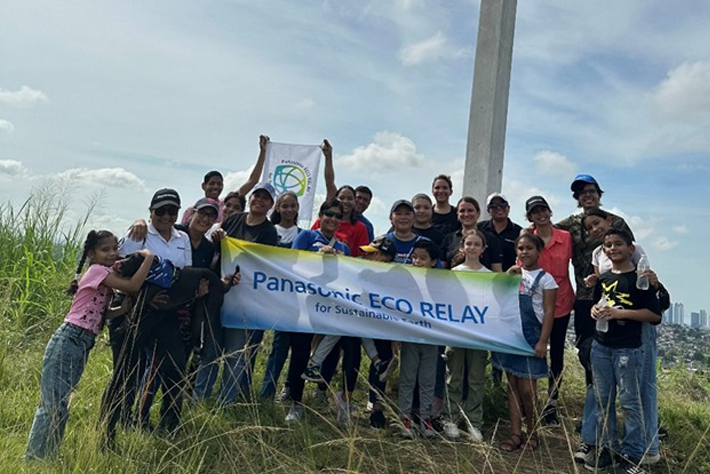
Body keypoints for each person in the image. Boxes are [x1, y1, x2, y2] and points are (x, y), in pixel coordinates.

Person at [25, 232, 154, 460]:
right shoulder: (98, 271)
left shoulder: (105, 273)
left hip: (82, 341)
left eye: (115, 248)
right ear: (92, 254)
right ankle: (35, 458)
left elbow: (100, 314)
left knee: (60, 403)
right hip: (70, 338)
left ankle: (47, 455)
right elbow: (133, 285)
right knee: (53, 404)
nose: (113, 253)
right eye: (106, 250)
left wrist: (122, 309)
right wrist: (149, 258)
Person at [101, 188, 193, 444]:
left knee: (175, 366)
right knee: (127, 371)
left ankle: (170, 425)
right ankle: (111, 426)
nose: (165, 216)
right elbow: (117, 271)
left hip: (167, 310)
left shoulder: (181, 238)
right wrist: (144, 296)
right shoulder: (139, 233)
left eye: (171, 211)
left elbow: (182, 274)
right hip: (134, 309)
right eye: (159, 211)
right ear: (150, 211)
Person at [555, 174, 635, 455]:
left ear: (599, 194)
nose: (586, 196)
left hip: (616, 300)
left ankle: (607, 421)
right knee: (588, 356)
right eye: (581, 193)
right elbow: (545, 231)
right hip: (584, 299)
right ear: (577, 199)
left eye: (590, 191)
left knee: (618, 361)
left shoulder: (616, 222)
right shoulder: (570, 223)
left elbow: (632, 255)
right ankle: (595, 415)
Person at [579, 208, 665, 466]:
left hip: (629, 349)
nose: (612, 248)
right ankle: (608, 449)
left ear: (631, 249)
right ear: (602, 250)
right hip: (602, 346)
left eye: (618, 244)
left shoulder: (641, 279)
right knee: (604, 401)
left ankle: (633, 454)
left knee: (630, 401)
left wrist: (620, 313)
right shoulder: (603, 278)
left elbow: (654, 314)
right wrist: (596, 310)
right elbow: (597, 304)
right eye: (608, 245)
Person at [193, 183, 278, 404]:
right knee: (210, 352)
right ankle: (198, 400)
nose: (259, 200)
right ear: (250, 199)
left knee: (235, 354)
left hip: (245, 302)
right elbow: (218, 251)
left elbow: (263, 265)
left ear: (271, 205)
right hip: (219, 294)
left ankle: (225, 404)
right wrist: (217, 236)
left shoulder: (269, 232)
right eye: (256, 195)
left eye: (265, 198)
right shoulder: (233, 219)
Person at [283, 199, 351, 423]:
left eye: (337, 216)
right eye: (328, 214)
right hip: (304, 305)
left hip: (331, 308)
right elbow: (293, 263)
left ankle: (321, 391)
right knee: (300, 353)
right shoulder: (307, 237)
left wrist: (338, 261)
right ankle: (295, 401)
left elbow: (349, 277)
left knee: (331, 353)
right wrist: (317, 258)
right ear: (320, 215)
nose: (332, 219)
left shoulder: (343, 247)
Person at [492, 233, 557, 452]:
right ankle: (515, 433)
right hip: (510, 335)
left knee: (528, 390)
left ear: (539, 252)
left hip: (531, 337)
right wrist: (507, 277)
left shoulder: (546, 279)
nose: (525, 252)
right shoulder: (512, 274)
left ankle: (533, 431)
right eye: (520, 248)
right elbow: (497, 300)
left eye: (529, 248)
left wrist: (542, 341)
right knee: (511, 386)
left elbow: (549, 311)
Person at [523, 196, 573, 426]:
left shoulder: (565, 237)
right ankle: (528, 401)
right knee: (531, 350)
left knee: (557, 356)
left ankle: (551, 405)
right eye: (535, 211)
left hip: (561, 301)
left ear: (550, 212)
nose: (541, 214)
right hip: (534, 305)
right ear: (530, 216)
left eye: (543, 210)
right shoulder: (527, 239)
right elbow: (522, 267)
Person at [443, 229, 492, 442]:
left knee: (476, 380)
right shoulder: (453, 273)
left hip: (478, 335)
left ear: (483, 249)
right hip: (456, 332)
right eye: (468, 244)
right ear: (462, 247)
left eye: (476, 244)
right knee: (453, 377)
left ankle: (474, 422)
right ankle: (450, 418)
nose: (472, 247)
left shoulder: (490, 276)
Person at [259, 191, 301, 401]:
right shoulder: (268, 232)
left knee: (281, 346)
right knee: (254, 344)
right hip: (263, 296)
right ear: (277, 208)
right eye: (285, 206)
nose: (289, 210)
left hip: (290, 300)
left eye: (292, 206)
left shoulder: (302, 235)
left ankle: (270, 393)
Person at [398, 239, 440, 439]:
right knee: (407, 378)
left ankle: (426, 418)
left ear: (433, 261)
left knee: (427, 380)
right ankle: (405, 417)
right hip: (410, 336)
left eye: (422, 258)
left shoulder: (442, 282)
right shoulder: (405, 279)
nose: (417, 262)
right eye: (414, 257)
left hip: (431, 338)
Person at [180, 135, 270, 224]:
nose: (216, 187)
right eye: (212, 183)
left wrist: (263, 152)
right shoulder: (192, 210)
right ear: (203, 186)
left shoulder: (227, 204)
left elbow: (253, 180)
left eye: (219, 184)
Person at [441, 196, 503, 271]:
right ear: (457, 214)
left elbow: (497, 272)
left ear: (478, 213)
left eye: (470, 210)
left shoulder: (491, 239)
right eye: (462, 211)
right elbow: (442, 270)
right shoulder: (448, 239)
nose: (466, 214)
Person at [312, 185, 370, 257]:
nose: (345, 201)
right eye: (342, 198)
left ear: (355, 201)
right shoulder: (322, 221)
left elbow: (362, 256)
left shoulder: (361, 228)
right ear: (336, 199)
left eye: (350, 198)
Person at [477, 192, 522, 272]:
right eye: (493, 206)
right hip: (482, 279)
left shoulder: (519, 232)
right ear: (488, 210)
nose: (498, 208)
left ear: (508, 208)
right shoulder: (479, 229)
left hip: (511, 280)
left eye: (502, 205)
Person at [386, 199, 431, 264]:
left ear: (414, 218)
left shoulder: (426, 243)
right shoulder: (381, 242)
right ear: (391, 218)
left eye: (407, 214)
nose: (403, 217)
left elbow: (437, 271)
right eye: (398, 214)